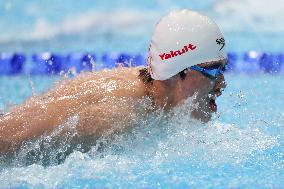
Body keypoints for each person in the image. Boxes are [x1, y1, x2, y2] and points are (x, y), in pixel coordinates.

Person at [0, 9, 227, 155]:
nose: (222, 84)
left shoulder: (156, 104)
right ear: (177, 70)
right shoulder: (111, 115)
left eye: (223, 69)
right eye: (213, 71)